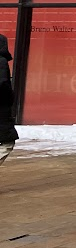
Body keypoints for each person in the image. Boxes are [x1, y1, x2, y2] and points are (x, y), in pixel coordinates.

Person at [0, 31, 17, 165]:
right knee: (7, 143)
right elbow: (3, 85)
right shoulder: (1, 61)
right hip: (1, 109)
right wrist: (10, 99)